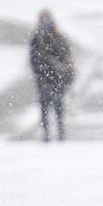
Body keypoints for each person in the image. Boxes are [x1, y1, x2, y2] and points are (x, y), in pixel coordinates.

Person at [29, 9, 74, 142]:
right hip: (44, 78)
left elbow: (65, 56)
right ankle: (46, 133)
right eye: (43, 19)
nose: (46, 22)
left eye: (47, 19)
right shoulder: (37, 39)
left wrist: (65, 73)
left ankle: (60, 131)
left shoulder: (58, 38)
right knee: (44, 107)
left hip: (57, 78)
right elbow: (33, 59)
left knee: (58, 106)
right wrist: (40, 73)